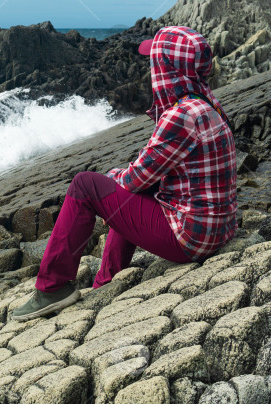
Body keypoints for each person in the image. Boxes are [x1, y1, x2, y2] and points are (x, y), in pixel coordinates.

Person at [12, 26, 237, 321]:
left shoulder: (181, 115)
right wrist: (120, 181)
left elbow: (134, 179)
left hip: (191, 239)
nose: (149, 67)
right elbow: (148, 174)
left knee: (84, 185)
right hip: (217, 229)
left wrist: (110, 179)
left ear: (165, 67)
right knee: (129, 189)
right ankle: (106, 281)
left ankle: (53, 287)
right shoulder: (207, 105)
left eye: (153, 60)